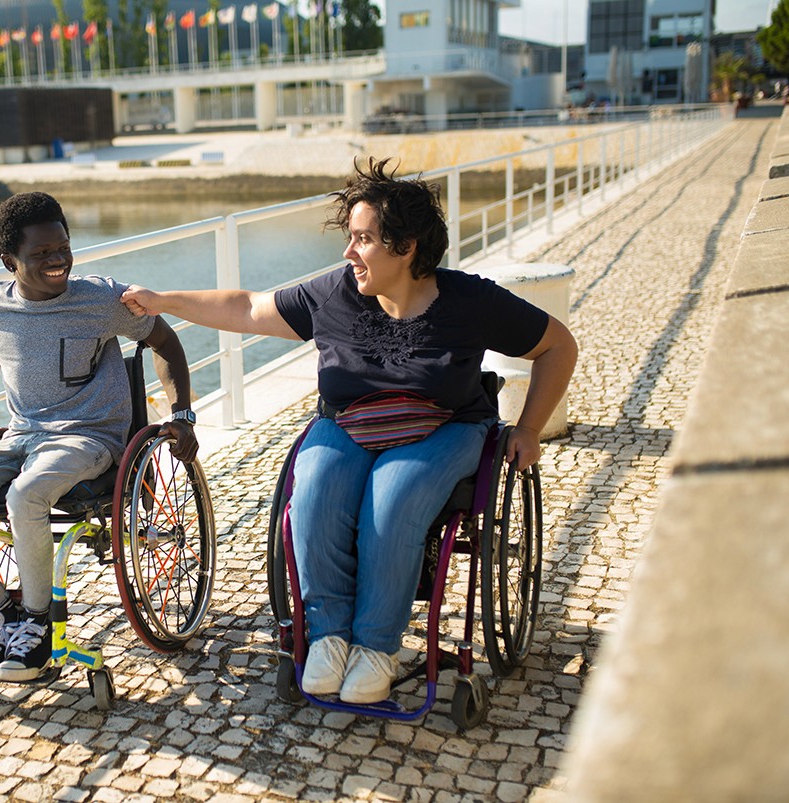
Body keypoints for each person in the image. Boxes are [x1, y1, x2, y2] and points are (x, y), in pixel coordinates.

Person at [122, 158, 576, 704]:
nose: (348, 252)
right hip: (348, 424)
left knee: (394, 496)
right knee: (312, 494)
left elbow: (558, 346)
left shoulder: (469, 300)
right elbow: (248, 307)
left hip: (446, 426)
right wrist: (162, 301)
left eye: (363, 239)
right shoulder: (334, 294)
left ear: (406, 247)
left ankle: (376, 647)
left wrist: (527, 427)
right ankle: (330, 638)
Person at [0, 191, 198, 682]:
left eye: (63, 247)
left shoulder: (104, 299)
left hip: (89, 438)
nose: (58, 259)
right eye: (42, 253)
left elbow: (165, 341)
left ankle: (39, 626)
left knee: (27, 494)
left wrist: (183, 414)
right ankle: (6, 616)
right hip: (21, 435)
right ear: (9, 261)